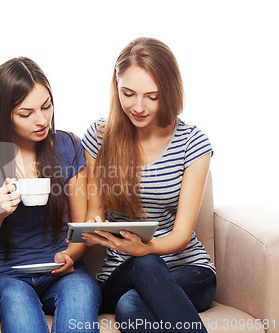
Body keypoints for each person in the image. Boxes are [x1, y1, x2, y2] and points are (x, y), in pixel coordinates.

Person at [81, 37, 217, 333]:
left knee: (131, 306)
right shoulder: (99, 136)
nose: (138, 107)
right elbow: (95, 211)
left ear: (169, 92)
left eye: (152, 97)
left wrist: (146, 248)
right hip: (119, 272)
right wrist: (94, 226)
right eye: (128, 94)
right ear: (116, 87)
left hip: (187, 270)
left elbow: (182, 234)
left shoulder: (192, 142)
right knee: (141, 268)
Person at [0, 57, 101, 333]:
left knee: (81, 293)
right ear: (3, 114)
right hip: (4, 276)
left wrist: (71, 255)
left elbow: (82, 229)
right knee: (16, 300)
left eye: (46, 107)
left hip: (61, 270)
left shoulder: (68, 145)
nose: (41, 120)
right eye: (26, 113)